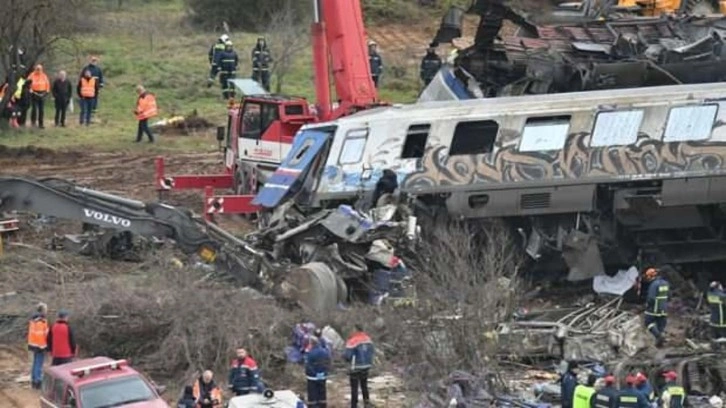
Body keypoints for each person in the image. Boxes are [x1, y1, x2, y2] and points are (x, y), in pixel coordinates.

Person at [343, 324, 374, 408]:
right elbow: (372, 352)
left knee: (354, 388)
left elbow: (347, 356)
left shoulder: (352, 340)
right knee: (364, 386)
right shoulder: (368, 339)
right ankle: (366, 403)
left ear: (356, 329)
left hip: (355, 367)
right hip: (366, 366)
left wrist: (344, 358)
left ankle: (354, 405)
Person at [643, 267, 669, 347]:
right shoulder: (665, 283)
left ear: (650, 276)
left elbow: (651, 298)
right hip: (663, 308)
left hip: (654, 308)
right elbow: (669, 295)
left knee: (648, 322)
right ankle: (660, 344)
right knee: (660, 325)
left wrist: (647, 305)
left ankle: (658, 336)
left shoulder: (654, 285)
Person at [27, 302, 49, 389]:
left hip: (33, 344)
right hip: (39, 345)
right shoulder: (41, 321)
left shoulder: (33, 320)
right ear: (42, 310)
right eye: (46, 310)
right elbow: (41, 335)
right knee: (38, 364)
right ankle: (37, 381)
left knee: (35, 363)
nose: (47, 311)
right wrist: (44, 347)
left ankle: (34, 380)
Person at [305, 336, 331, 408]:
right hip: (323, 376)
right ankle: (323, 406)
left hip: (312, 377)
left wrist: (314, 373)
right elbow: (328, 363)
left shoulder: (310, 353)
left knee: (312, 395)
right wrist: (325, 372)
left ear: (311, 343)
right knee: (322, 394)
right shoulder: (325, 352)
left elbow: (308, 365)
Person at [27, 64, 50, 128]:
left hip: (42, 93)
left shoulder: (44, 76)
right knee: (34, 109)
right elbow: (27, 83)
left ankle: (41, 123)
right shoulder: (32, 75)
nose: (38, 70)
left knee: (41, 110)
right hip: (34, 93)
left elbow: (47, 84)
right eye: (37, 69)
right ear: (35, 69)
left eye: (39, 69)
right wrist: (30, 90)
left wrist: (46, 92)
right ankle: (33, 122)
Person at [706, 281, 726, 347]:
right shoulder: (722, 296)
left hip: (713, 319)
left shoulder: (710, 294)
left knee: (715, 336)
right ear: (718, 287)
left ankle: (715, 347)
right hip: (722, 320)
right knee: (723, 336)